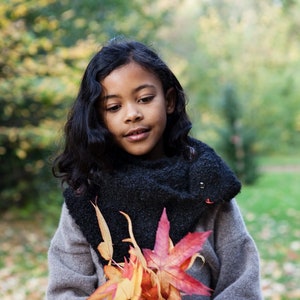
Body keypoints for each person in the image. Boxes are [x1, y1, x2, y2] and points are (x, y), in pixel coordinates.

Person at [47, 38, 262, 299]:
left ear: (169, 100)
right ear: (99, 118)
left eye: (145, 98)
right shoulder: (87, 198)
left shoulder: (207, 181)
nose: (132, 114)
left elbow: (241, 282)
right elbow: (66, 290)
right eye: (114, 107)